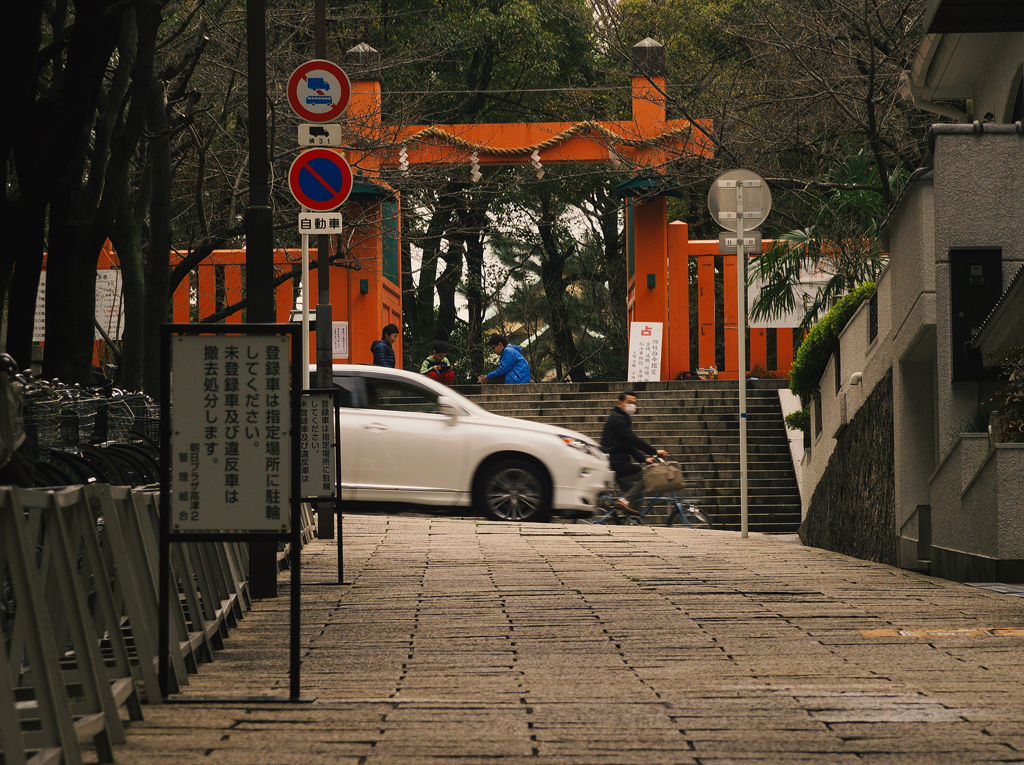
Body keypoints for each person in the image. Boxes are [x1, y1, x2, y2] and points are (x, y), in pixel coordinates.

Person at [600, 391, 668, 515]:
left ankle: (632, 521)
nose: (632, 405)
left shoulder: (621, 418)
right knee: (647, 475)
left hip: (616, 462)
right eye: (629, 402)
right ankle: (624, 501)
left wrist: (643, 459)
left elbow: (628, 445)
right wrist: (655, 452)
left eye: (634, 403)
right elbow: (633, 440)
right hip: (616, 463)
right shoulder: (617, 419)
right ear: (619, 403)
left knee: (637, 493)